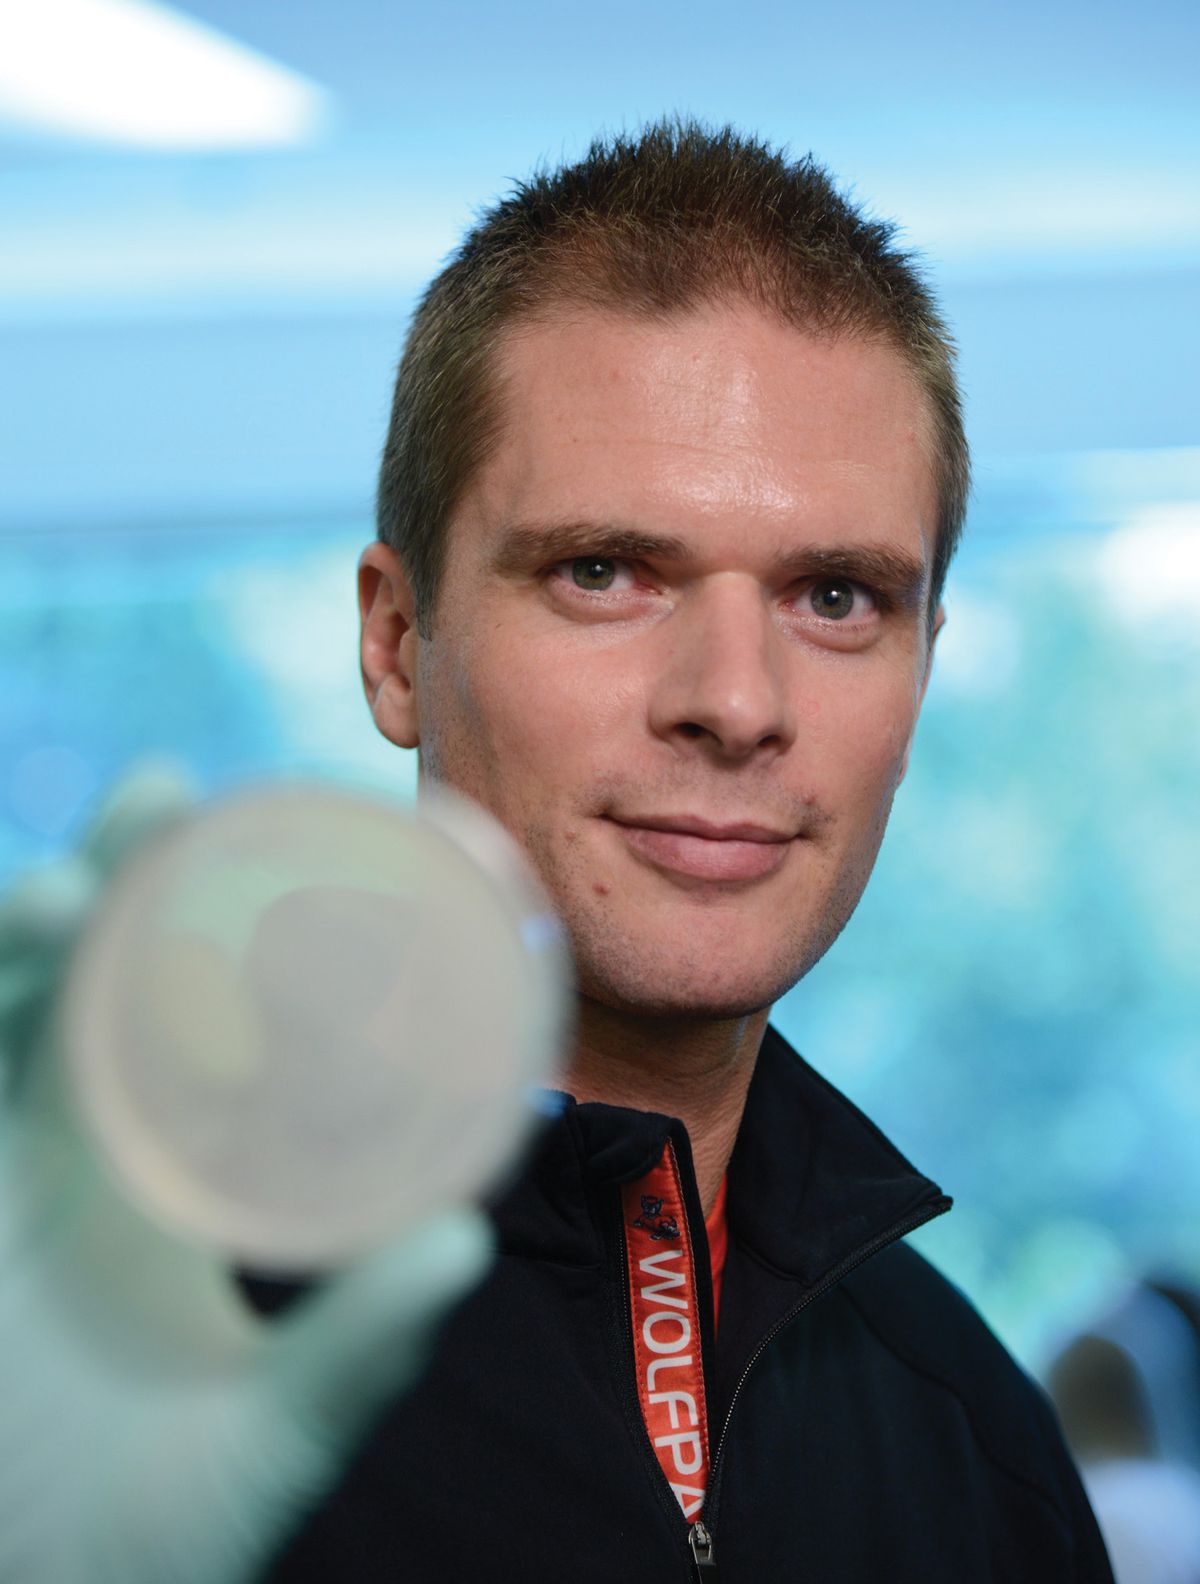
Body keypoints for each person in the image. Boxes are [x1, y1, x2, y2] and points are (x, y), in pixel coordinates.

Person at [247, 121, 1115, 1580]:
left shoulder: (975, 1448)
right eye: (606, 572)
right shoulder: (106, 1338)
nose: (735, 701)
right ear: (396, 644)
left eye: (836, 596)